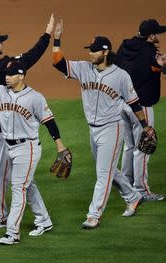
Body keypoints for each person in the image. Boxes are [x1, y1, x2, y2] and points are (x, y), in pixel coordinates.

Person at [52, 20, 148, 229]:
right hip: (92, 129)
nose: (90, 54)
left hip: (111, 129)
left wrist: (145, 126)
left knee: (103, 174)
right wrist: (57, 38)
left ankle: (93, 215)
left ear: (105, 52)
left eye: (94, 51)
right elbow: (58, 62)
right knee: (108, 170)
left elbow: (134, 103)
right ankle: (132, 196)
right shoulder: (84, 69)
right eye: (90, 50)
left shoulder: (121, 76)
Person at [0, 48, 61, 243]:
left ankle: (12, 233)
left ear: (21, 75)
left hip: (28, 147)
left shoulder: (35, 97)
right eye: (6, 74)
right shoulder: (0, 92)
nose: (6, 77)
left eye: (10, 75)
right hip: (9, 148)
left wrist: (60, 146)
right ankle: (44, 220)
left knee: (18, 188)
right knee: (28, 184)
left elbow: (49, 121)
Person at [115, 19, 166, 201]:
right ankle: (142, 190)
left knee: (130, 146)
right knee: (143, 147)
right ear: (151, 36)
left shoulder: (125, 46)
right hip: (141, 107)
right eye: (158, 33)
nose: (160, 35)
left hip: (122, 104)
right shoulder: (152, 52)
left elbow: (116, 67)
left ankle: (126, 184)